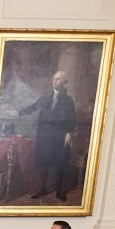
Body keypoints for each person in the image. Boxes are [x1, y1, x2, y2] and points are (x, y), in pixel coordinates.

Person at [19, 70, 76, 201]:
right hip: (44, 136)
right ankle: (41, 189)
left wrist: (69, 133)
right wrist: (19, 113)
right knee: (43, 163)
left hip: (59, 136)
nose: (55, 81)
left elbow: (72, 118)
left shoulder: (68, 100)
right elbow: (33, 107)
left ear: (64, 82)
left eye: (58, 79)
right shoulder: (46, 97)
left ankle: (60, 191)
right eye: (54, 78)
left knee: (60, 164)